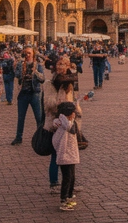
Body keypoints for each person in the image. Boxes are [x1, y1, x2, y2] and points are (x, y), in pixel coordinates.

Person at [44, 57, 81, 192]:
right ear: (55, 66)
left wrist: (75, 111)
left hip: (69, 122)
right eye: (59, 63)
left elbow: (74, 100)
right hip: (56, 122)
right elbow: (48, 104)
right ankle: (54, 183)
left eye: (64, 64)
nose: (61, 66)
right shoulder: (50, 83)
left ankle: (69, 182)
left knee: (70, 155)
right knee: (56, 154)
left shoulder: (69, 83)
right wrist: (63, 106)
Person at [48, 101, 81, 211]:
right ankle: (64, 199)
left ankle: (69, 195)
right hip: (64, 154)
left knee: (72, 177)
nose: (74, 114)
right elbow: (67, 126)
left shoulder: (69, 122)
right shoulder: (61, 122)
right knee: (67, 177)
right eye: (72, 112)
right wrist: (68, 118)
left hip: (71, 153)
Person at [11, 48, 45, 146]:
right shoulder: (20, 64)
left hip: (35, 93)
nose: (27, 55)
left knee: (38, 117)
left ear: (33, 54)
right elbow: (17, 75)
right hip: (23, 94)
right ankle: (18, 137)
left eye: (29, 53)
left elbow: (42, 79)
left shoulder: (38, 65)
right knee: (21, 117)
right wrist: (17, 69)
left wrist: (35, 72)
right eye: (25, 53)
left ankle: (41, 138)